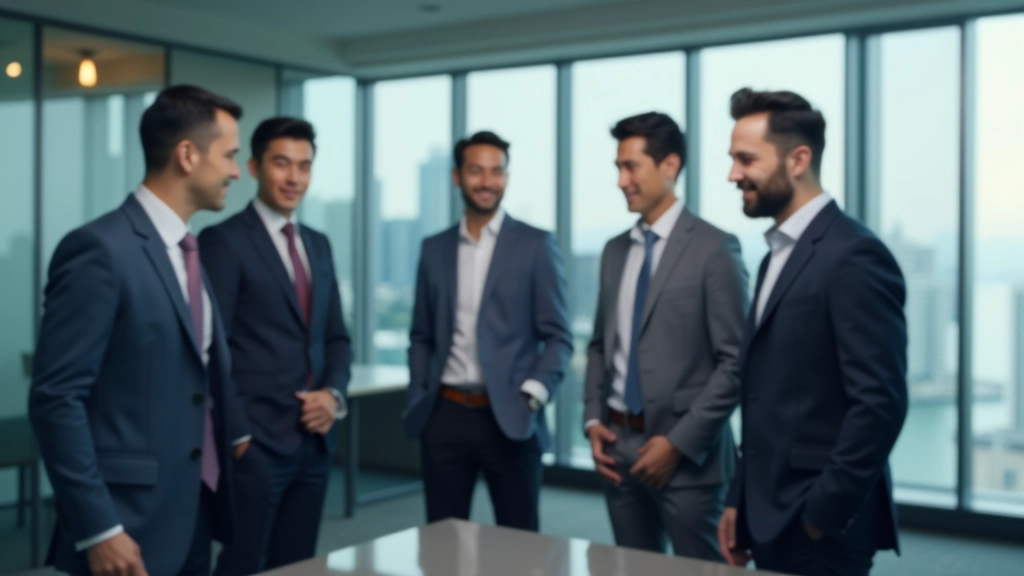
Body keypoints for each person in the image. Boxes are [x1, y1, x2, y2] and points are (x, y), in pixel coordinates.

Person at [29, 85, 251, 576]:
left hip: (193, 512)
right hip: (124, 527)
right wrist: (99, 529)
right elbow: (56, 399)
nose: (237, 171)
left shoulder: (190, 251)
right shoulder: (100, 250)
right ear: (187, 155)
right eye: (230, 155)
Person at [717, 88, 908, 576]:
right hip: (767, 513)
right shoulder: (773, 258)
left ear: (798, 160)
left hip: (819, 527)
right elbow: (763, 396)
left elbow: (880, 403)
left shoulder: (854, 255)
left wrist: (821, 515)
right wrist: (740, 498)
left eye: (746, 159)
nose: (733, 174)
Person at [583, 112, 748, 560]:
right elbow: (599, 346)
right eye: (618, 167)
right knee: (634, 567)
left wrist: (678, 444)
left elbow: (736, 362)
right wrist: (593, 420)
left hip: (689, 457)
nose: (621, 181)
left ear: (670, 165)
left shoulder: (715, 249)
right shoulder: (614, 251)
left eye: (631, 166)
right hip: (617, 450)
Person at [199, 117, 351, 575]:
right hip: (257, 445)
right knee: (244, 563)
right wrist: (239, 437)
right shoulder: (223, 242)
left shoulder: (318, 244)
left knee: (299, 565)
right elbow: (213, 349)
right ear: (254, 167)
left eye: (304, 166)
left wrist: (333, 396)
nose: (294, 177)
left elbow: (335, 337)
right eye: (282, 163)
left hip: (314, 442)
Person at [405, 131, 573, 531]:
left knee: (520, 545)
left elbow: (559, 336)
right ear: (456, 177)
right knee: (442, 541)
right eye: (476, 171)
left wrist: (532, 396)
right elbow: (421, 335)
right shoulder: (434, 248)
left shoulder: (536, 245)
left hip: (511, 416)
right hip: (445, 415)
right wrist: (419, 392)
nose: (487, 181)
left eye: (497, 171)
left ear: (506, 178)